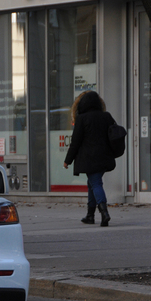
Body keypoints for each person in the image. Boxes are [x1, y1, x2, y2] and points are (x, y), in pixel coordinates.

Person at [63, 91, 116, 227]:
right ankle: (90, 215)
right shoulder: (106, 116)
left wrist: (68, 160)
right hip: (105, 158)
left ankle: (104, 213)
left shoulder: (82, 119)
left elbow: (75, 142)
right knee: (92, 183)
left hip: (90, 159)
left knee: (96, 183)